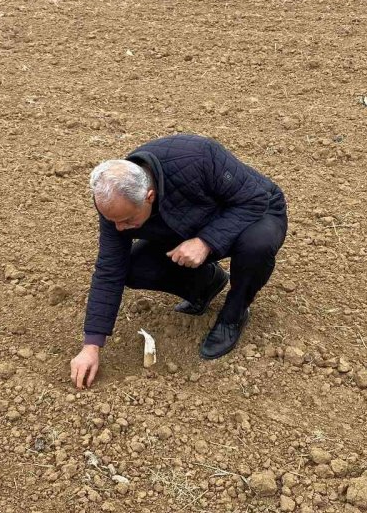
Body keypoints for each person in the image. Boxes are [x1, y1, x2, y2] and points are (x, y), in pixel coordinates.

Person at [69, 134, 287, 389]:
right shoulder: (115, 202)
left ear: (149, 196)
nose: (120, 228)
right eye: (113, 221)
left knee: (256, 246)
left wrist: (205, 242)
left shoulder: (197, 157)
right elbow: (109, 269)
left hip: (256, 211)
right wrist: (91, 345)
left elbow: (254, 199)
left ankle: (234, 314)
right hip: (188, 224)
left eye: (127, 221)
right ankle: (206, 285)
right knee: (134, 268)